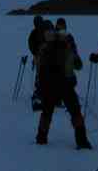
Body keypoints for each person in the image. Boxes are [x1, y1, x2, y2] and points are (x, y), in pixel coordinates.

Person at [35, 18, 92, 149]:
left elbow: (39, 67)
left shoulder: (45, 47)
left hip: (49, 85)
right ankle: (82, 141)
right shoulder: (67, 45)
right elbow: (78, 65)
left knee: (46, 112)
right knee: (75, 112)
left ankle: (41, 138)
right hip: (66, 84)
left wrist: (41, 85)